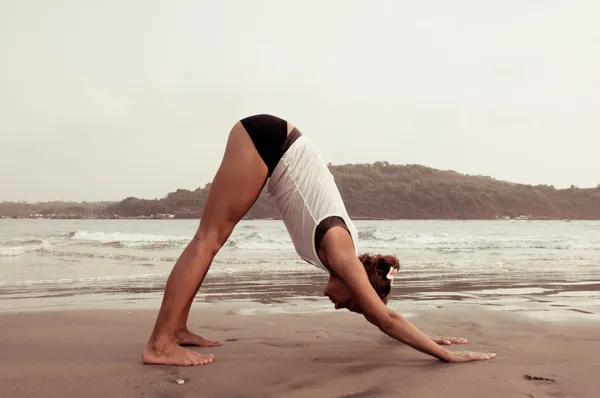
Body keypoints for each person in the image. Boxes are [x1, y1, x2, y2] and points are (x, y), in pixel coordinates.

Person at [142, 114, 497, 366]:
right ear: (355, 281)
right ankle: (160, 343)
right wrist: (446, 355)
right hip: (269, 141)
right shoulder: (342, 253)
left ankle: (177, 328)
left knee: (211, 240)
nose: (344, 308)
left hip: (275, 143)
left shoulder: (347, 258)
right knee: (208, 239)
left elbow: (383, 314)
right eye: (354, 304)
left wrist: (426, 337)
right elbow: (385, 319)